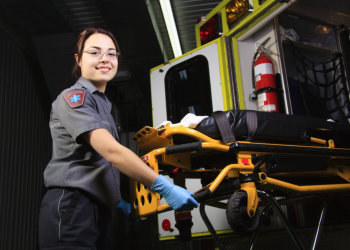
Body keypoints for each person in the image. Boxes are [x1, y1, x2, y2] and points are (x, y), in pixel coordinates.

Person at [38, 26, 198, 250]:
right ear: (78, 59)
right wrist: (162, 186)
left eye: (111, 53)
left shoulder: (102, 104)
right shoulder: (73, 98)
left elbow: (97, 164)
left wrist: (117, 202)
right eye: (94, 52)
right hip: (72, 206)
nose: (104, 59)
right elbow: (111, 152)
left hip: (97, 207)